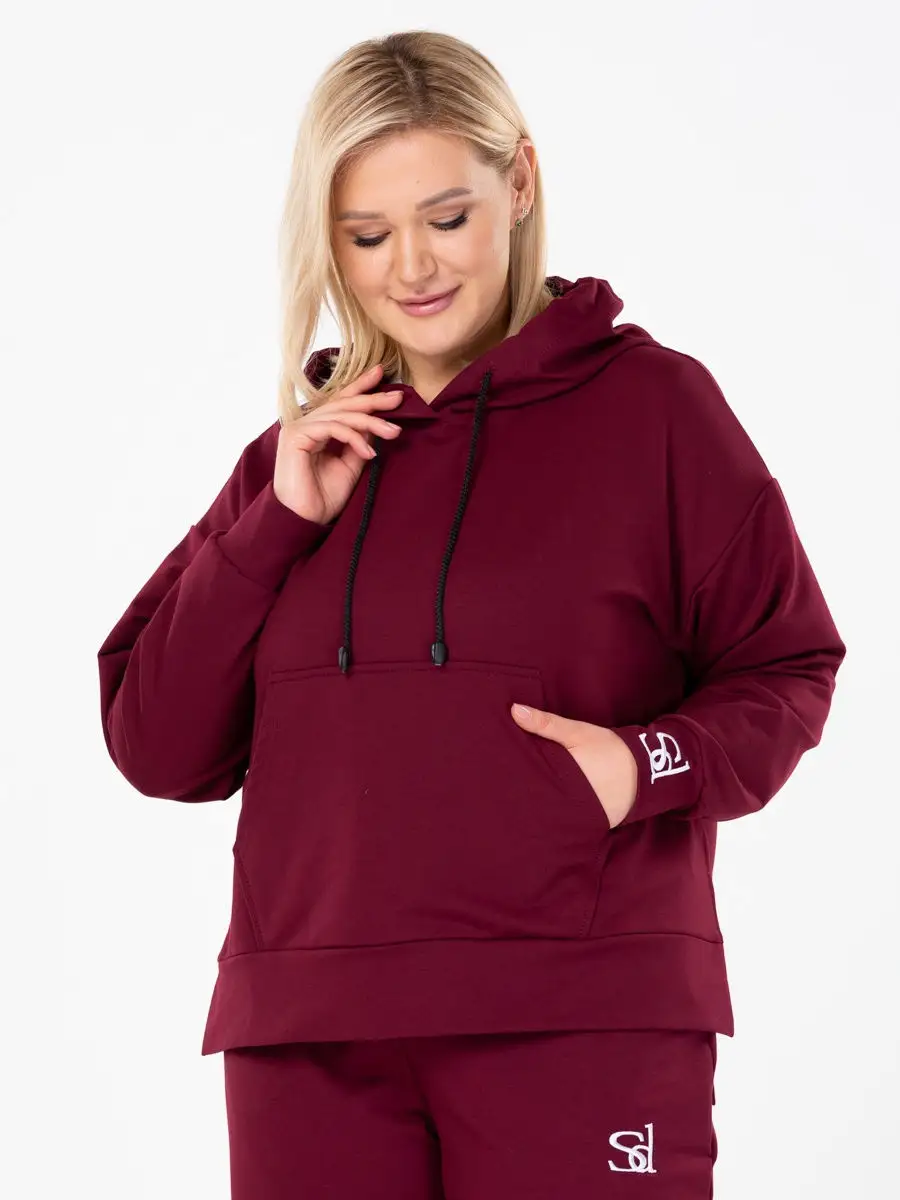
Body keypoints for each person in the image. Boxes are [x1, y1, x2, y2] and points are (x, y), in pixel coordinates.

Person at [96, 28, 846, 1200]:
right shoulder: (298, 462)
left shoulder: (654, 410)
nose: (412, 267)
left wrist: (640, 765)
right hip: (308, 1036)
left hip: (580, 1014)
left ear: (521, 182)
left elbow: (789, 664)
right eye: (366, 235)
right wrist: (276, 523)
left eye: (446, 217)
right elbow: (156, 745)